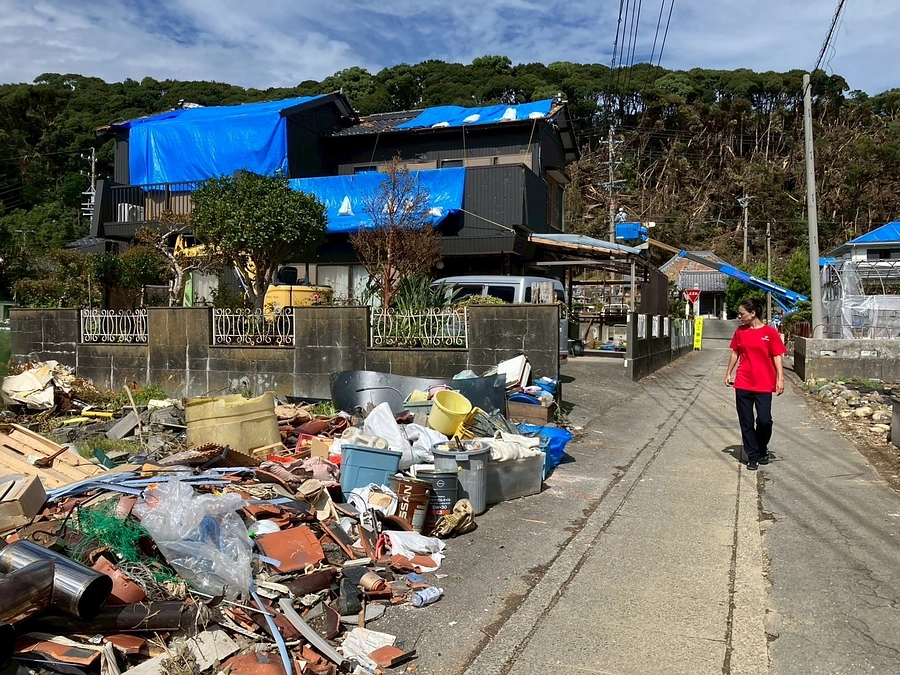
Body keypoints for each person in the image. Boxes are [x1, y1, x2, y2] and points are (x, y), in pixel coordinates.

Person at [724, 298, 787, 470]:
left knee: (765, 421)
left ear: (753, 314)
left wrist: (780, 378)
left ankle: (761, 448)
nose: (739, 316)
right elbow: (735, 352)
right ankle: (752, 456)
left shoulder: (770, 333)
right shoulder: (740, 331)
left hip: (764, 383)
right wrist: (729, 372)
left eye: (742, 313)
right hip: (743, 381)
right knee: (746, 421)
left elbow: (777, 356)